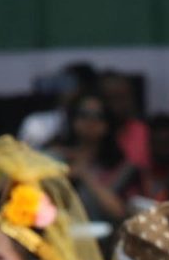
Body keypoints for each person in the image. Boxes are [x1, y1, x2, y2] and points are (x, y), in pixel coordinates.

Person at [55, 91, 146, 223]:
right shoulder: (56, 157)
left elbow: (120, 213)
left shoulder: (123, 167)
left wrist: (85, 174)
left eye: (99, 116)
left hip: (104, 238)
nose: (91, 121)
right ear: (73, 119)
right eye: (84, 115)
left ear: (108, 123)